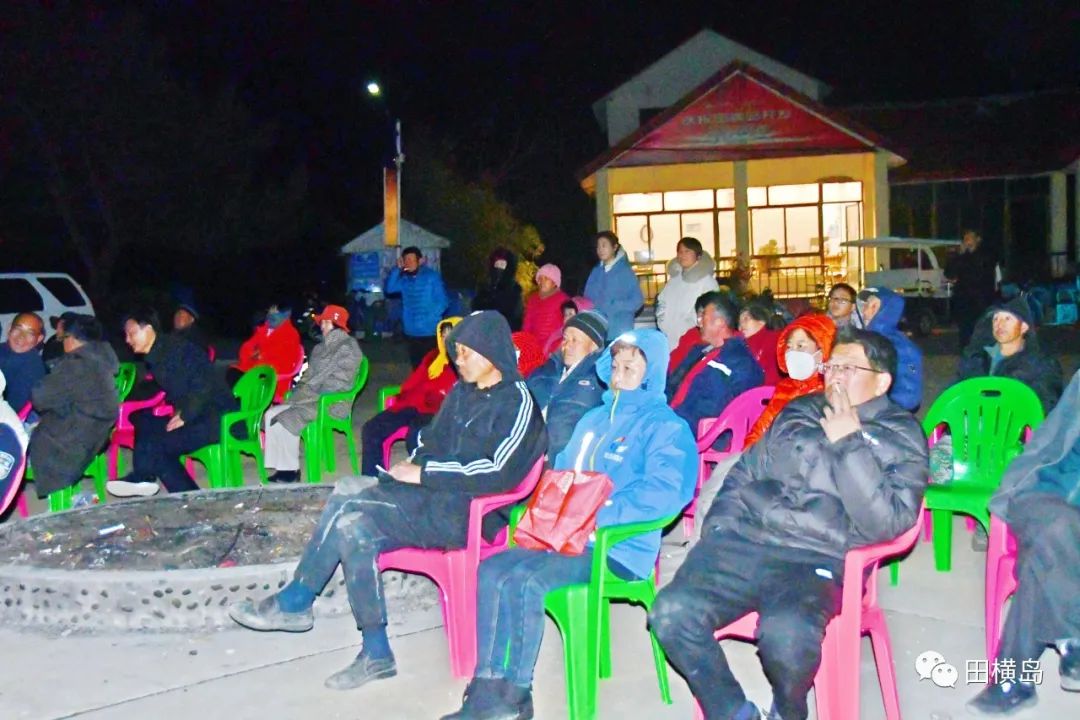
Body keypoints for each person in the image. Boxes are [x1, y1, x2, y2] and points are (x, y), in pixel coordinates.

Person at [228, 311, 547, 691]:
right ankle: (374, 651)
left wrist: (426, 473)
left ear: (490, 352)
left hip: (469, 514)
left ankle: (299, 600)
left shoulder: (518, 402)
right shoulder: (463, 393)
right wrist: (416, 461)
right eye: (457, 352)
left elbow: (499, 471)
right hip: (434, 498)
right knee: (349, 498)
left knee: (352, 515)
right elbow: (432, 439)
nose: (457, 360)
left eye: (464, 352)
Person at [649, 328, 929, 720]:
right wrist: (720, 530)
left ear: (881, 382)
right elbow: (745, 471)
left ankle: (788, 710)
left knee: (787, 637)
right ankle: (733, 711)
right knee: (670, 614)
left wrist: (850, 443)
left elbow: (889, 523)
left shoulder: (899, 433)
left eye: (849, 368)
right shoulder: (801, 409)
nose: (835, 376)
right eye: (832, 366)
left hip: (818, 556)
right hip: (748, 540)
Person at [441, 328, 697, 719]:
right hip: (565, 536)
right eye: (617, 360)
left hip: (615, 547)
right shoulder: (593, 418)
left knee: (528, 580)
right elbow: (560, 473)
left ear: (652, 372)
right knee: (493, 569)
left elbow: (667, 491)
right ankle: (487, 687)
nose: (620, 368)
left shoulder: (665, 426)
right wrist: (544, 510)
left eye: (633, 363)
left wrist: (598, 514)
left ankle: (515, 695)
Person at [967, 369, 1080, 716]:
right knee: (1057, 527)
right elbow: (1051, 440)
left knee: (1044, 552)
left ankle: (1012, 679)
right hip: (1044, 492)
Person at [106, 307, 236, 497]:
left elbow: (204, 383)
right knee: (145, 420)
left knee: (159, 447)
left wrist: (185, 414)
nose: (128, 340)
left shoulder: (177, 349)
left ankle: (191, 498)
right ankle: (143, 477)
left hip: (219, 418)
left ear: (148, 329)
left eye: (132, 333)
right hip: (199, 414)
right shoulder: (159, 355)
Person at [261, 305, 363, 483]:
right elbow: (307, 376)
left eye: (326, 322)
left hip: (332, 403)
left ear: (335, 324)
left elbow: (340, 383)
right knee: (271, 414)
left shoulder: (348, 347)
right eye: (322, 322)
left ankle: (290, 472)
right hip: (313, 398)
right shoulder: (320, 348)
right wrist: (300, 391)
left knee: (288, 417)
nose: (322, 326)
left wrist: (308, 393)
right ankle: (282, 466)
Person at [28, 315, 119, 499]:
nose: (60, 343)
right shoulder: (100, 358)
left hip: (71, 443)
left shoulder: (78, 365)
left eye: (61, 338)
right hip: (96, 435)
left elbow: (39, 398)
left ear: (72, 338)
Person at [360, 316, 461, 476]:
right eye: (442, 335)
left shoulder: (464, 361)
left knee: (416, 437)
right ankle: (372, 477)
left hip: (439, 411)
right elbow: (413, 384)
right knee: (372, 428)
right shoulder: (433, 357)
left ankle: (421, 480)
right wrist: (404, 398)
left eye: (451, 335)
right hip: (413, 405)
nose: (445, 339)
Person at [666, 292, 764, 436]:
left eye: (703, 316)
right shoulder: (699, 352)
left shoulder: (739, 362)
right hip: (674, 421)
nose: (699, 322)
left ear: (720, 322)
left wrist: (671, 421)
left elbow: (720, 411)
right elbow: (671, 384)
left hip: (697, 431)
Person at [956, 297, 1063, 414]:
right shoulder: (977, 359)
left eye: (1007, 319)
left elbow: (1045, 407)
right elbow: (954, 396)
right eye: (995, 319)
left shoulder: (1041, 365)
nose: (1000, 324)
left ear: (1023, 327)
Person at [525, 310, 607, 461]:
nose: (567, 345)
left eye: (575, 340)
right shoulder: (544, 371)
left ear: (594, 346)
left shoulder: (601, 380)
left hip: (562, 462)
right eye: (565, 339)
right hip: (525, 455)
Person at [745, 312, 837, 447]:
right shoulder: (785, 388)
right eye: (789, 347)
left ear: (823, 350)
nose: (793, 352)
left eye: (800, 346)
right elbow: (760, 431)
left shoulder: (832, 390)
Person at [856, 287, 923, 411]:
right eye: (865, 306)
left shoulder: (899, 345)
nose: (865, 312)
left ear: (888, 309)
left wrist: (889, 409)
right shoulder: (864, 339)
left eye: (873, 306)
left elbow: (908, 394)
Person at [385, 246, 449, 368]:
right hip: (411, 332)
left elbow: (443, 301)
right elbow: (389, 289)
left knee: (432, 368)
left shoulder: (431, 277)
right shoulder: (404, 280)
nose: (408, 263)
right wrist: (396, 270)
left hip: (429, 332)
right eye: (405, 260)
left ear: (420, 261)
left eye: (411, 259)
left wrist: (429, 318)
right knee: (417, 368)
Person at [229, 301, 304, 399]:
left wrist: (259, 355)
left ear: (286, 315)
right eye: (269, 311)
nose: (270, 315)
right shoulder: (263, 330)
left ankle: (244, 408)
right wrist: (255, 355)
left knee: (238, 383)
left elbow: (282, 362)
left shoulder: (291, 335)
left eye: (275, 312)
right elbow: (245, 349)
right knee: (231, 373)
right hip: (253, 372)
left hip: (272, 379)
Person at [657, 237, 720, 349]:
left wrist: (687, 327)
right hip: (670, 338)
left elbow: (710, 311)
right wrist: (663, 323)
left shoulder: (707, 282)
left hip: (694, 341)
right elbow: (662, 302)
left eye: (687, 251)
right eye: (680, 252)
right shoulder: (674, 280)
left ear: (698, 256)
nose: (682, 255)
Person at [583, 231, 643, 340]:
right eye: (598, 246)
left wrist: (616, 305)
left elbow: (637, 301)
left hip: (619, 330)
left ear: (615, 247)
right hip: (598, 330)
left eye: (604, 245)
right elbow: (587, 298)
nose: (600, 250)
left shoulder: (625, 272)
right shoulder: (596, 272)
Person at [946, 229, 999, 350]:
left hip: (981, 300)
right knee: (965, 329)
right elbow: (949, 273)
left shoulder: (986, 255)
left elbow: (982, 271)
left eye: (970, 238)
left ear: (977, 240)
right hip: (964, 300)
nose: (967, 241)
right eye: (965, 238)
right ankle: (966, 351)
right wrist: (959, 255)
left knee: (981, 329)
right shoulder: (961, 257)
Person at [0, 312, 46, 414]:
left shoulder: (32, 368)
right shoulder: (3, 349)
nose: (21, 336)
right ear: (9, 329)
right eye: (18, 329)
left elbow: (13, 408)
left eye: (30, 333)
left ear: (38, 339)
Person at [522, 263, 570, 351]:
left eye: (546, 279)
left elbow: (566, 327)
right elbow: (527, 325)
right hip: (532, 348)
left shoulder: (564, 301)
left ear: (554, 282)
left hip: (552, 351)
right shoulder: (533, 299)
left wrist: (556, 349)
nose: (542, 282)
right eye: (540, 279)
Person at [473, 248, 524, 330]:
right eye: (497, 264)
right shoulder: (485, 288)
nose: (499, 268)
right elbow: (476, 311)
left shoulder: (514, 292)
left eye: (502, 265)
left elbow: (515, 319)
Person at [737, 303, 781, 386]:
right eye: (739, 323)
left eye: (746, 319)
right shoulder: (739, 347)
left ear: (762, 321)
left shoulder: (777, 340)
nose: (741, 326)